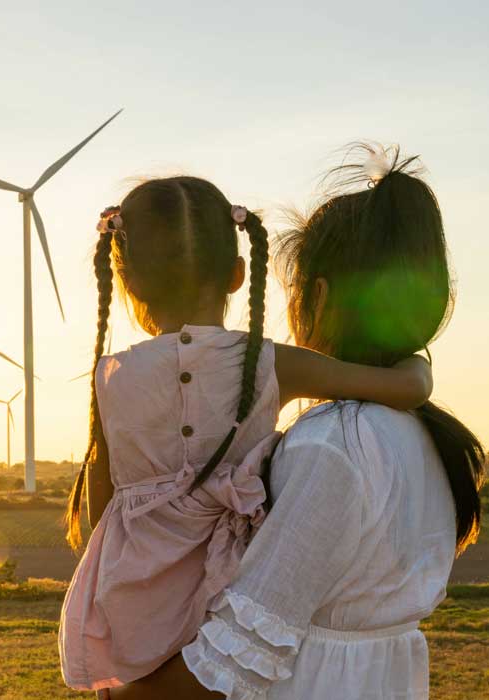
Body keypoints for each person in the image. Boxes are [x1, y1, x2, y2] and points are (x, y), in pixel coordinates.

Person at [108, 146, 485, 700]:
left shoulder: (332, 445)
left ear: (321, 297)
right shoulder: (426, 437)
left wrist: (122, 693)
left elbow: (240, 650)